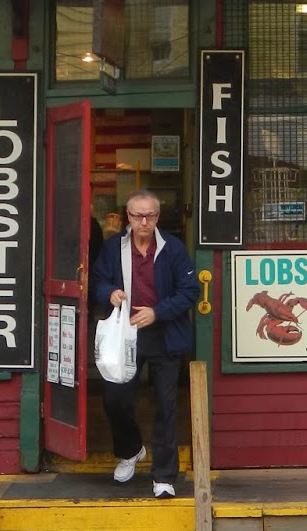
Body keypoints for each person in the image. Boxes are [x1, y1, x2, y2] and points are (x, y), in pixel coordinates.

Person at [89, 189, 199, 499]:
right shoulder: (113, 248)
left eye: (150, 215)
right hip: (126, 334)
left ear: (158, 217)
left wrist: (157, 312)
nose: (144, 221)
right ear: (128, 217)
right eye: (138, 215)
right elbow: (96, 281)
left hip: (164, 335)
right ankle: (131, 449)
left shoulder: (173, 249)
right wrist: (110, 292)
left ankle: (164, 477)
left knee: (166, 406)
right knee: (115, 398)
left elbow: (190, 291)